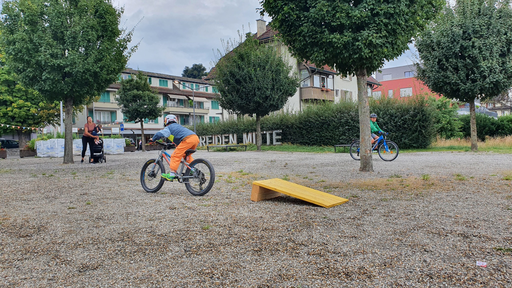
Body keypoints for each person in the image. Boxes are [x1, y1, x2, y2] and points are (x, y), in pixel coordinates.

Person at [149, 114, 199, 181]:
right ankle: (193, 170)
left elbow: (160, 134)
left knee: (175, 156)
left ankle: (172, 174)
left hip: (188, 139)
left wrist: (153, 139)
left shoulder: (169, 127)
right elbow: (179, 137)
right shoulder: (178, 126)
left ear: (166, 121)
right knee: (186, 155)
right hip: (195, 138)